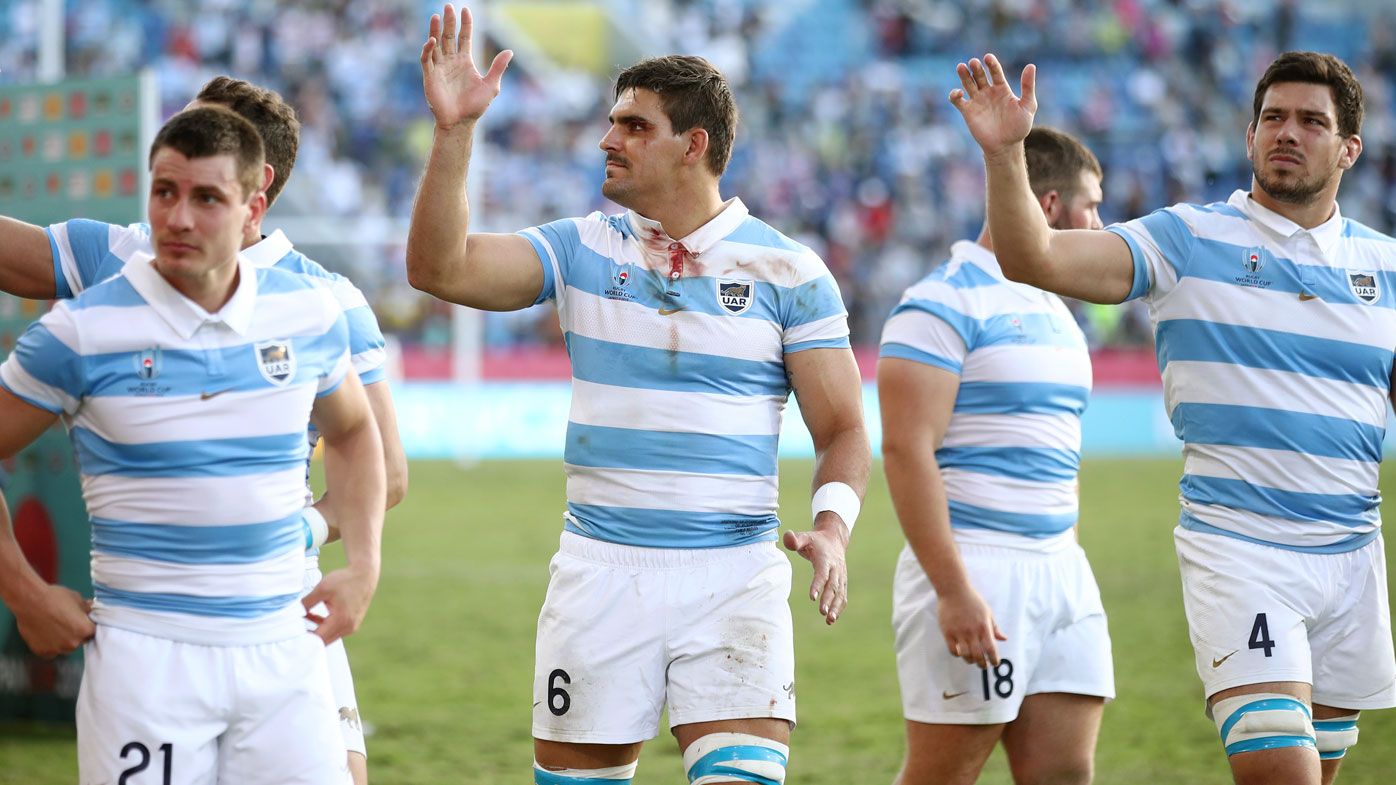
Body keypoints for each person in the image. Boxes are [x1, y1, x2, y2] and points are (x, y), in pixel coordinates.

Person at [406, 5, 870, 783]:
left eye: (632, 126)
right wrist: (453, 133)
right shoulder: (580, 246)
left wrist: (833, 528)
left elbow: (846, 430)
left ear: (693, 146)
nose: (606, 140)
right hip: (599, 572)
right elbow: (440, 269)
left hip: (733, 575)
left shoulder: (791, 273)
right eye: (611, 122)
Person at [950, 50, 1396, 785]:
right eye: (1273, 118)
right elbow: (1033, 257)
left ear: (1349, 148)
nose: (1288, 132)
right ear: (1250, 136)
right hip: (1244, 550)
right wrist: (1004, 155)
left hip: (1354, 560)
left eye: (1312, 122)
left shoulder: (1384, 268)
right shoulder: (1185, 240)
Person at [0, 75, 406, 785]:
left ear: (255, 188)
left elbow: (376, 457)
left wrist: (311, 546)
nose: (177, 211)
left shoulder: (322, 303)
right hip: (146, 644)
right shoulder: (109, 274)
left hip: (285, 614)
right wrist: (26, 592)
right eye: (166, 184)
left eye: (206, 186)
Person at [878, 126, 1114, 785]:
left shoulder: (1059, 308)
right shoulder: (941, 301)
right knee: (942, 775)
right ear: (1047, 204)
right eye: (1091, 205)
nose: (1100, 223)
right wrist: (954, 590)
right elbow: (904, 450)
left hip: (1063, 570)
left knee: (1065, 773)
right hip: (977, 570)